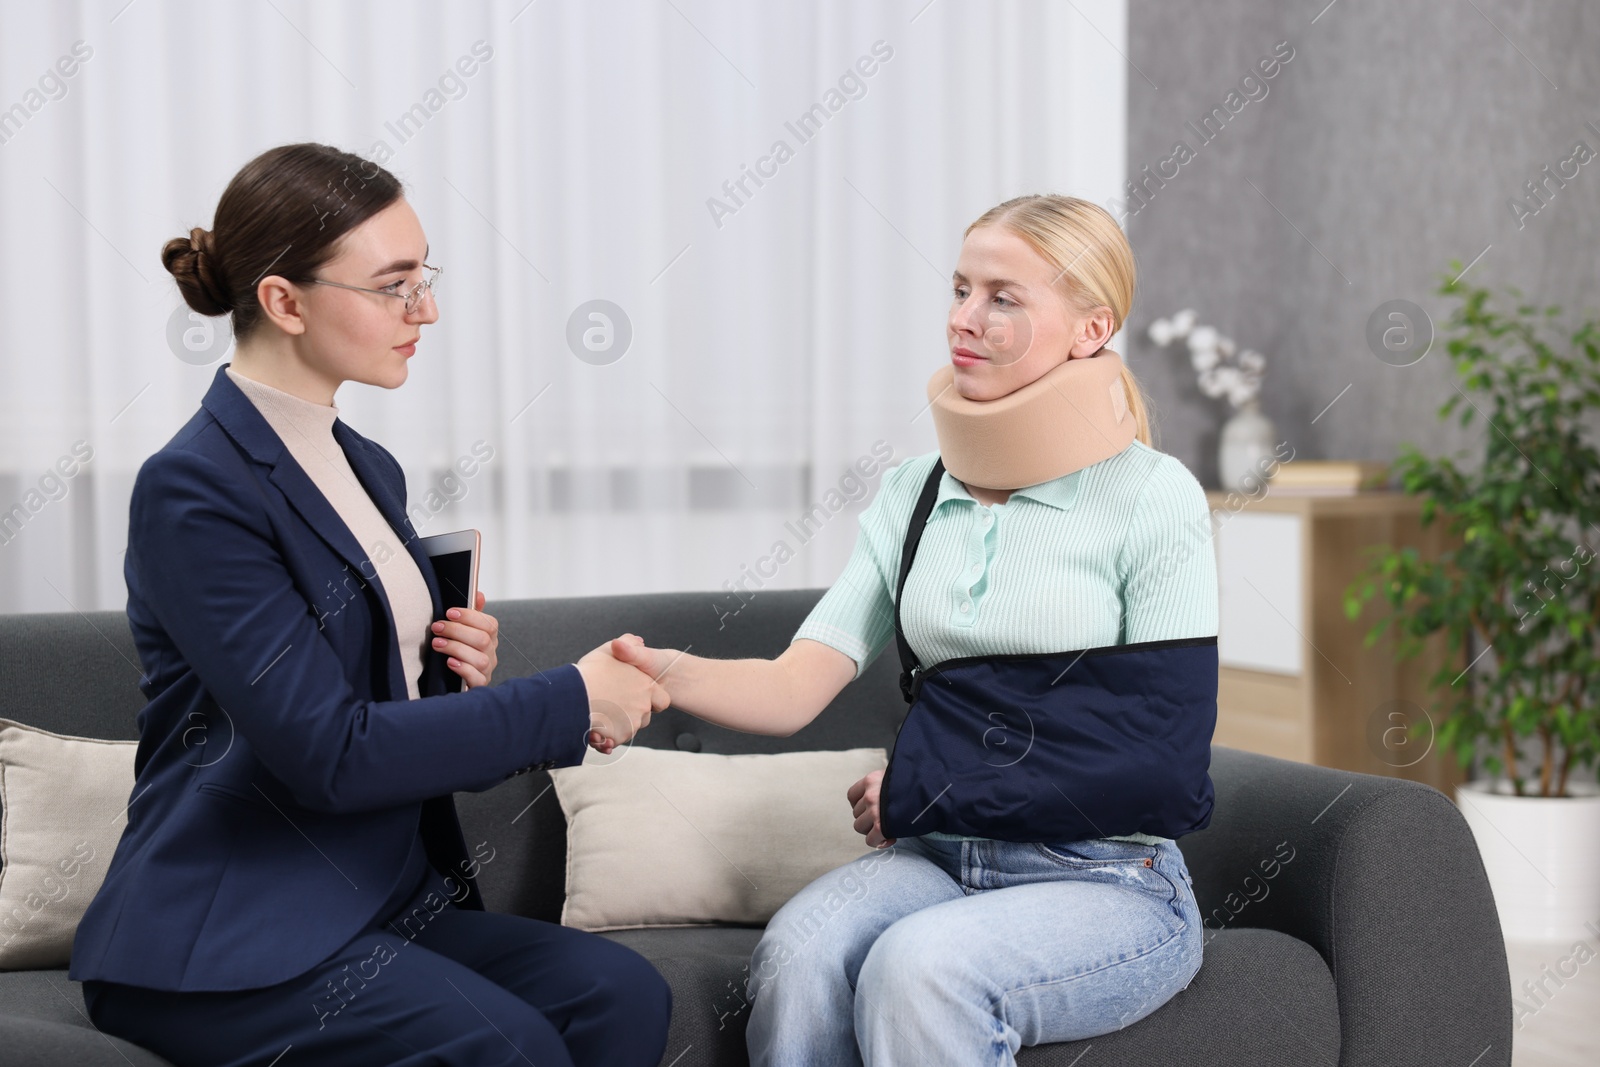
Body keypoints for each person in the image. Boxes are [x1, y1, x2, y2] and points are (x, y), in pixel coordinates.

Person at [70, 142, 673, 1067]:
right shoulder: (193, 490)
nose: (424, 307)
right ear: (284, 300)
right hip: (230, 932)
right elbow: (332, 755)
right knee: (508, 1047)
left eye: (423, 276)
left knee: (621, 992)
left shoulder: (365, 466)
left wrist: (447, 676)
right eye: (393, 284)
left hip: (370, 899)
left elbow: (380, 713)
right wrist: (570, 699)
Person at [605, 194, 1218, 1065]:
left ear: (1091, 330)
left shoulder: (1153, 497)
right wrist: (662, 669)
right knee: (801, 949)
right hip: (937, 857)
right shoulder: (915, 492)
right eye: (961, 288)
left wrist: (931, 783)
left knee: (920, 966)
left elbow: (1165, 761)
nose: (963, 319)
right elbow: (794, 685)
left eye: (1004, 297)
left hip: (1110, 877)